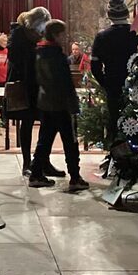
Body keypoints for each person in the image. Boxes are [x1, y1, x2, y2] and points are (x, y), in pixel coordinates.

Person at [29, 19, 89, 192]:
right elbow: (64, 83)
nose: (65, 36)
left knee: (45, 140)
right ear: (55, 35)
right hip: (61, 104)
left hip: (46, 102)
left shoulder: (40, 52)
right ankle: (75, 177)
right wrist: (73, 103)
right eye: (62, 33)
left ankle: (36, 174)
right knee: (70, 141)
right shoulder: (56, 55)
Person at [7, 7, 56, 177]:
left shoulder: (37, 36)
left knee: (47, 123)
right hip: (25, 85)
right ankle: (27, 163)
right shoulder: (19, 35)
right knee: (27, 123)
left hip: (38, 84)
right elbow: (16, 59)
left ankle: (43, 161)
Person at [91, 0, 138, 158]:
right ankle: (135, 155)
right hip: (135, 85)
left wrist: (105, 83)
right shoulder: (137, 34)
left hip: (113, 83)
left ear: (109, 15)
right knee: (135, 119)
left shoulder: (102, 37)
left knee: (115, 120)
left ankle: (116, 158)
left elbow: (95, 66)